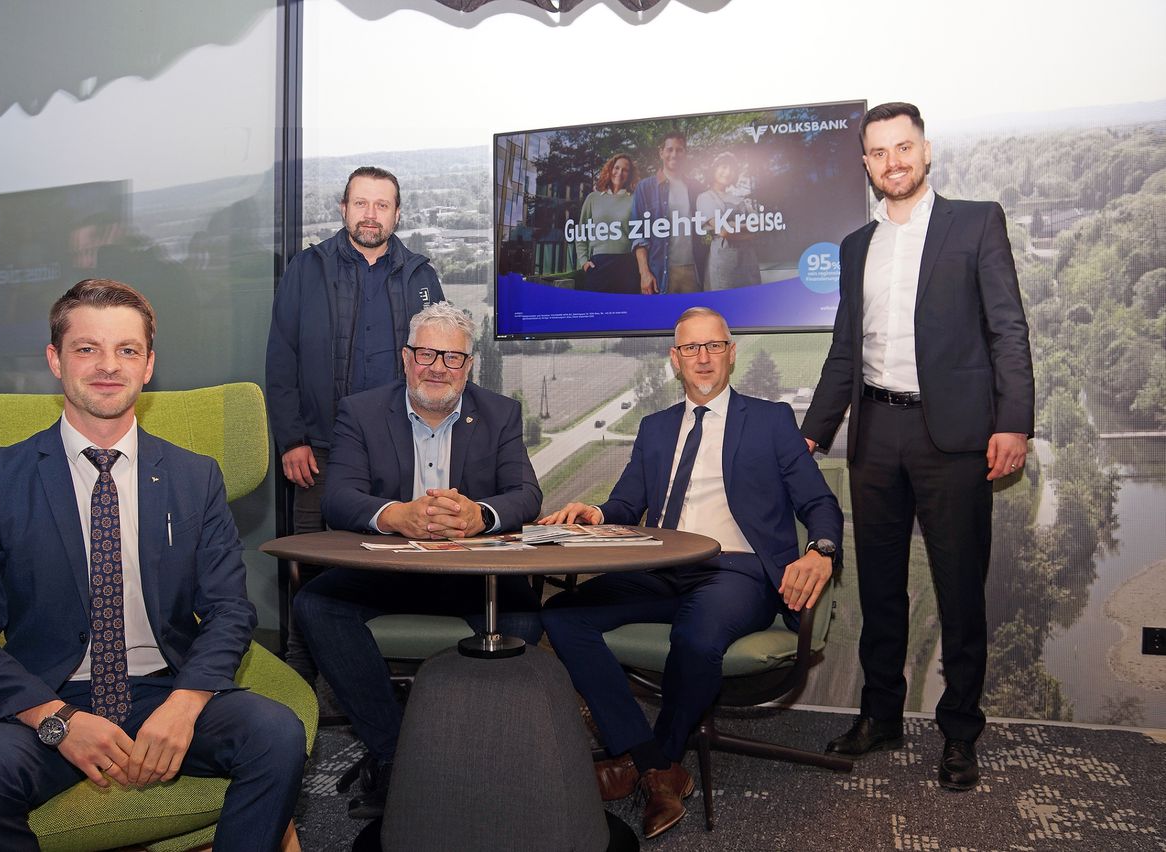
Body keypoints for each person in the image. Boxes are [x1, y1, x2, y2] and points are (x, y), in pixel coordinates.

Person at [0, 279, 306, 851]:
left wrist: (186, 704)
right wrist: (56, 720)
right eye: (87, 349)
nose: (109, 366)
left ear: (149, 364)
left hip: (164, 689)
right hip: (49, 693)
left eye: (127, 350)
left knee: (276, 735)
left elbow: (230, 611)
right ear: (55, 360)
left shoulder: (194, 477)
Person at [540, 307, 843, 839]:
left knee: (698, 635)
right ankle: (655, 763)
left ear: (731, 353)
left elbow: (820, 503)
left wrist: (821, 549)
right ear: (673, 360)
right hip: (659, 567)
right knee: (563, 617)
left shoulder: (770, 420)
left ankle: (643, 761)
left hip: (738, 571)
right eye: (690, 349)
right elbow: (627, 502)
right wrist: (597, 514)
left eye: (713, 346)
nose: (702, 358)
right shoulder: (655, 429)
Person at [801, 102, 1034, 791]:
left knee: (960, 592)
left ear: (926, 152)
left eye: (904, 148)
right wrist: (811, 433)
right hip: (876, 435)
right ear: (866, 164)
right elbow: (845, 352)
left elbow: (1008, 332)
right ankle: (880, 716)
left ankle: (960, 731)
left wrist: (1013, 422)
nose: (893, 162)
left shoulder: (977, 222)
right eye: (878, 152)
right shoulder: (854, 247)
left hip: (956, 437)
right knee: (879, 588)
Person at [292, 301, 544, 820]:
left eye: (452, 359)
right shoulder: (360, 411)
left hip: (473, 574)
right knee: (317, 606)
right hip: (388, 571)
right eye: (427, 354)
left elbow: (526, 495)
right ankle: (393, 753)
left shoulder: (500, 413)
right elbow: (338, 497)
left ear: (469, 365)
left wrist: (481, 515)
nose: (438, 368)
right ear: (406, 358)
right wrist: (395, 516)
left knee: (523, 617)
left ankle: (470, 751)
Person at [266, 165, 444, 683]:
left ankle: (376, 678)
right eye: (361, 204)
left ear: (396, 214)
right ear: (343, 209)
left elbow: (436, 363)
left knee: (385, 568)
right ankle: (303, 685)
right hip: (317, 453)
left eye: (382, 205)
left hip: (397, 453)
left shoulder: (420, 276)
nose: (371, 215)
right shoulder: (308, 268)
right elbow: (282, 357)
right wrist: (291, 438)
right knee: (312, 573)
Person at [630, 131, 708, 294]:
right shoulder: (645, 188)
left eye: (679, 150)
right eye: (669, 149)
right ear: (661, 153)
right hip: (660, 272)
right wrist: (644, 273)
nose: (674, 154)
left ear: (685, 153)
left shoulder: (697, 188)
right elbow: (638, 236)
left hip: (693, 271)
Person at [695, 151, 762, 289]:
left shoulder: (740, 199)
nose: (728, 172)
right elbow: (724, 231)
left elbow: (759, 225)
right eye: (723, 167)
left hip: (748, 265)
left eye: (732, 169)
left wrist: (733, 226)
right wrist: (747, 230)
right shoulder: (705, 197)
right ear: (713, 169)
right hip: (723, 267)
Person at [575, 153, 640, 294]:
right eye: (616, 168)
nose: (619, 173)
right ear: (610, 169)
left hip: (627, 265)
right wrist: (584, 262)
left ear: (629, 175)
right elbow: (581, 233)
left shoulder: (635, 199)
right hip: (598, 266)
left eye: (625, 170)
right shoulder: (593, 198)